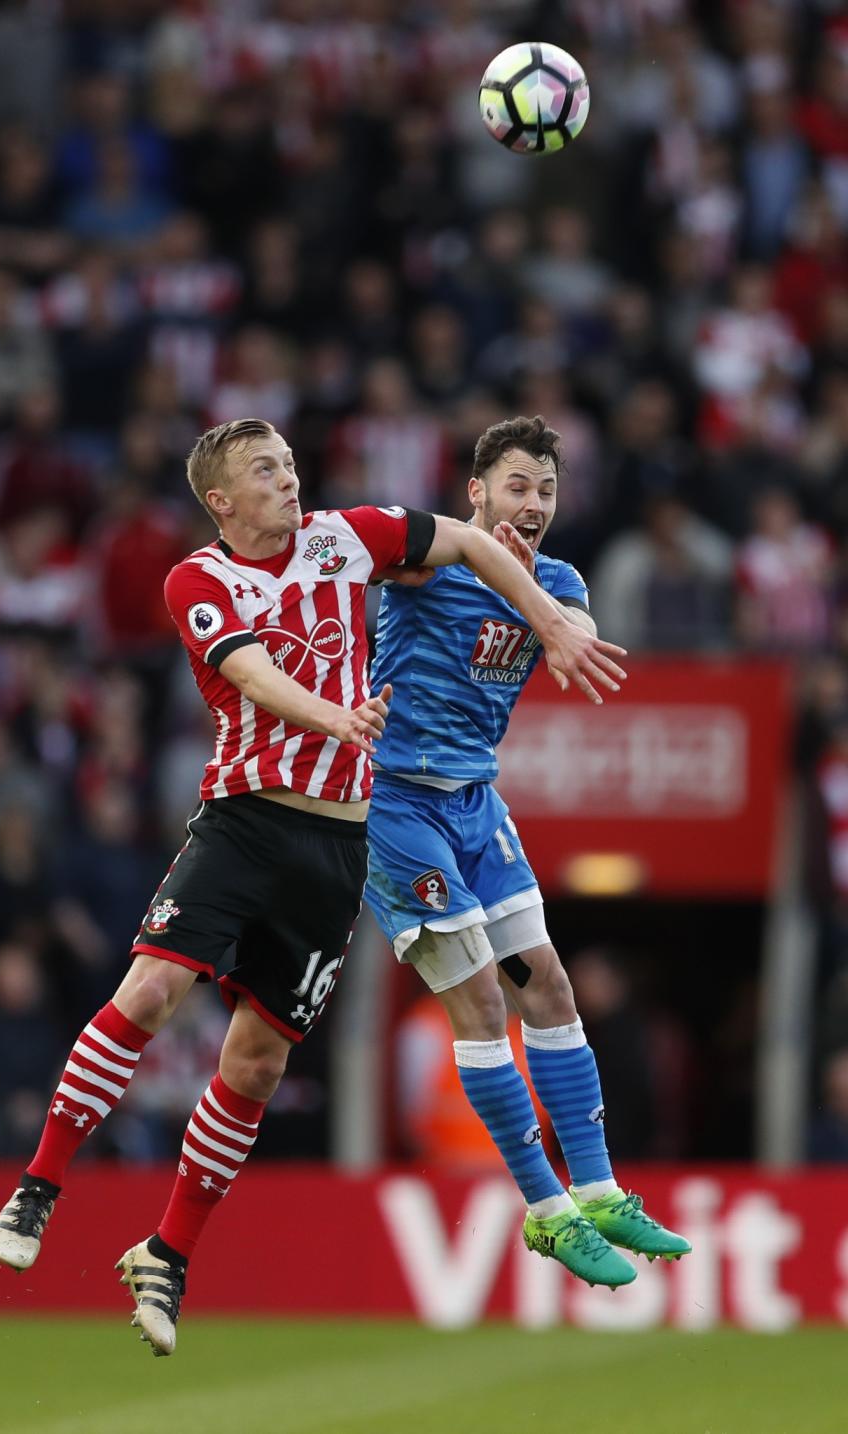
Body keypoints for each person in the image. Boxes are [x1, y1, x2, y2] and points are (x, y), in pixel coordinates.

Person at [0, 417, 627, 1356]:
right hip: (244, 822)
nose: (288, 478)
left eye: (288, 462)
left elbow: (460, 540)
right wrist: (340, 717)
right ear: (221, 500)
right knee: (154, 990)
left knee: (256, 1063)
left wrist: (549, 619)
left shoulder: (346, 534)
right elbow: (246, 671)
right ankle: (39, 1185)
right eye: (264, 470)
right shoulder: (197, 579)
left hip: (338, 848)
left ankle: (168, 1252)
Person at [365, 415, 691, 1291]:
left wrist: (560, 625)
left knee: (547, 983)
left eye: (546, 488)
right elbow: (371, 560)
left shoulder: (558, 578)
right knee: (477, 1002)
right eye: (516, 484)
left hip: (477, 804)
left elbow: (571, 632)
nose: (534, 503)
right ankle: (547, 1213)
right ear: (476, 491)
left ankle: (599, 1188)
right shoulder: (428, 560)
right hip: (395, 801)